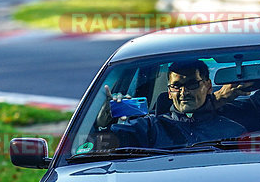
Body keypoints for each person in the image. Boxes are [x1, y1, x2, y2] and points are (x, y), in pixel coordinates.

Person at [94, 59, 245, 148]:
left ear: (208, 87)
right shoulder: (147, 128)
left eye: (192, 84)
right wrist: (102, 122)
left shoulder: (234, 132)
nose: (184, 92)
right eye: (176, 86)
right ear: (169, 91)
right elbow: (92, 149)